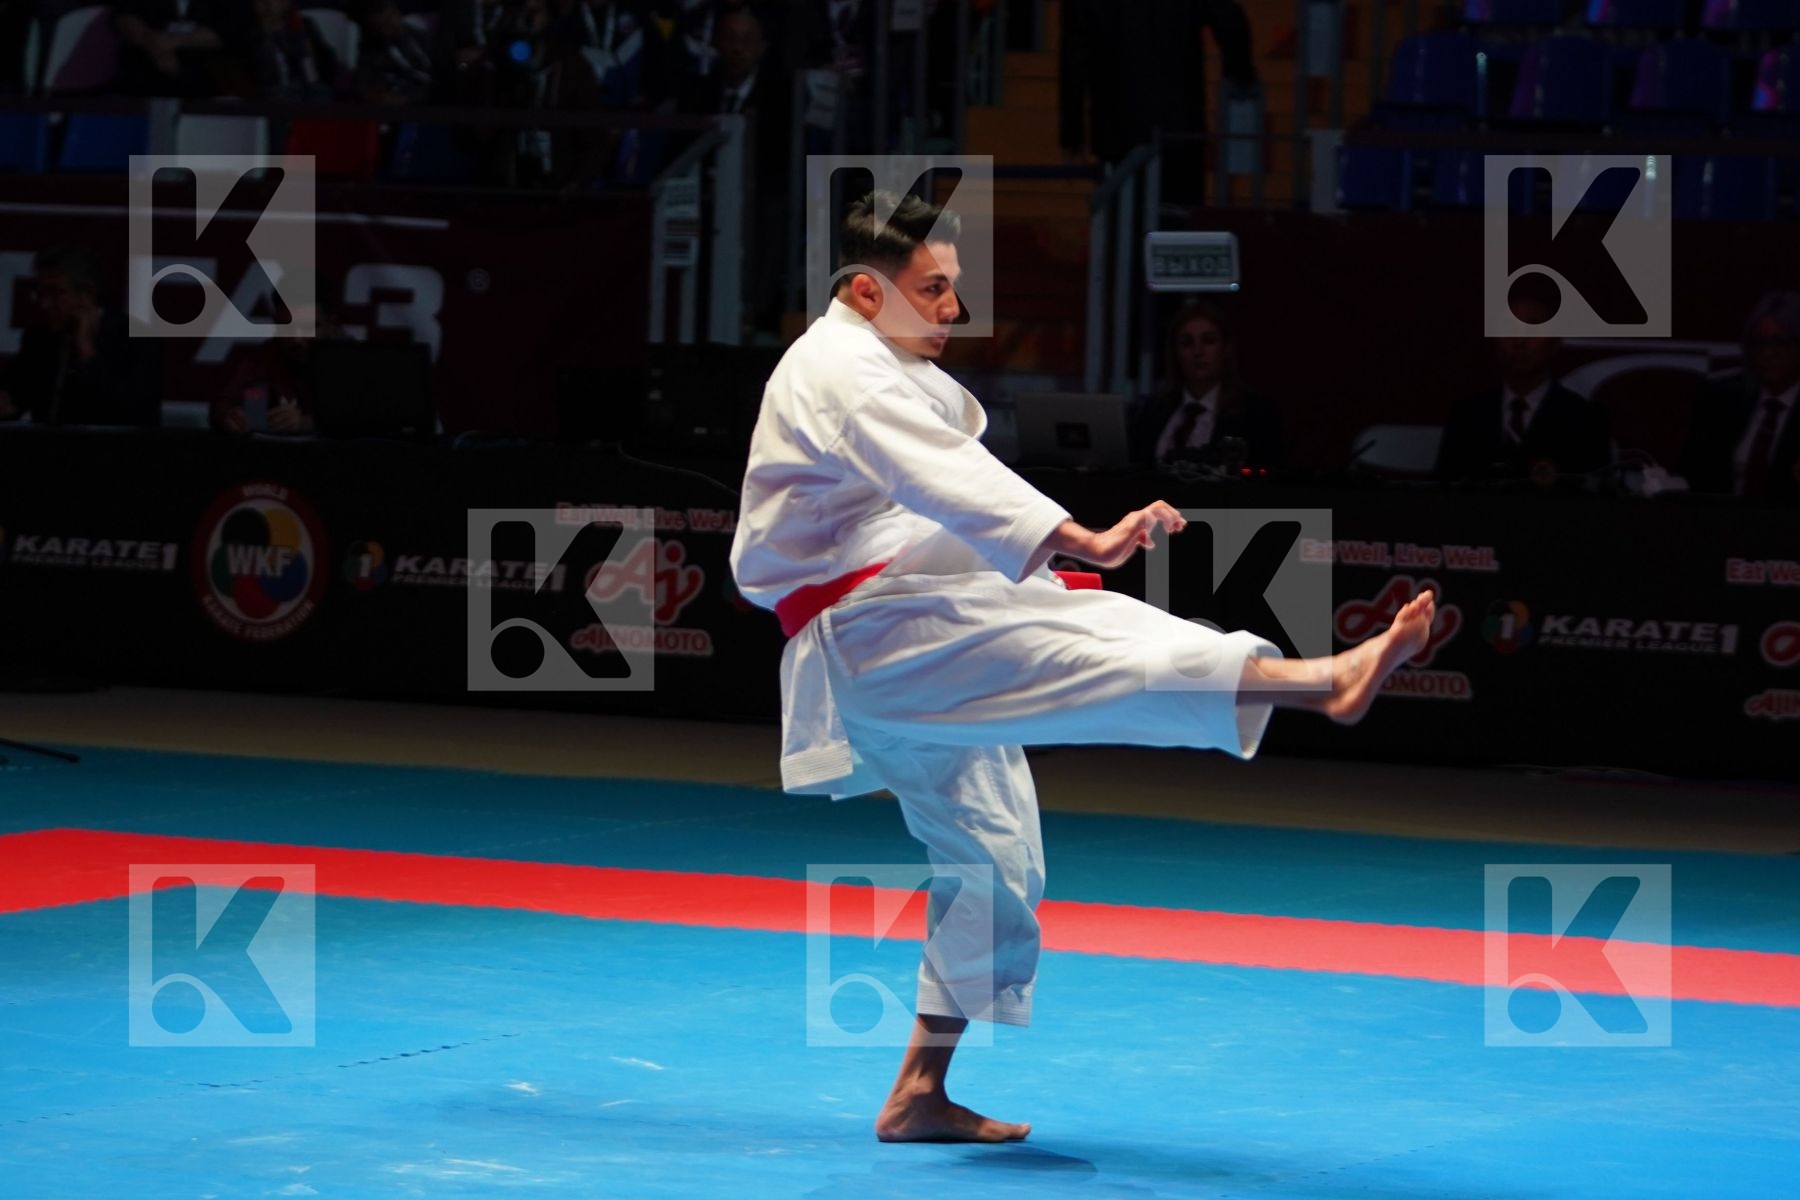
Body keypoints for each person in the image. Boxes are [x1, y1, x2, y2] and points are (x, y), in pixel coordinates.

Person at [728, 191, 1436, 1143]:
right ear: (864, 291)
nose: (953, 310)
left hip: (896, 625)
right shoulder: (842, 372)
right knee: (1094, 649)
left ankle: (917, 1093)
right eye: (933, 290)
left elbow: (933, 495)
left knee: (995, 854)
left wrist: (1048, 560)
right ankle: (1320, 681)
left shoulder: (874, 365)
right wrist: (1086, 542)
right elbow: (950, 478)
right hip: (881, 631)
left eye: (955, 288)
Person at [1059, 0, 1257, 205]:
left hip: (1118, 135)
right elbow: (1232, 23)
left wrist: (1072, 135)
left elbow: (1073, 62)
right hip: (1180, 132)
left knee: (1124, 226)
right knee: (1177, 226)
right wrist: (1241, 76)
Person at [1435, 299, 1612, 485]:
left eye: (1532, 329)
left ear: (1554, 341)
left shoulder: (1586, 420)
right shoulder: (1467, 416)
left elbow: (1596, 502)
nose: (1519, 341)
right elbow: (1442, 493)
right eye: (1509, 330)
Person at [0, 246, 160, 427]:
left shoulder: (136, 338)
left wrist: (86, 350)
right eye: (40, 293)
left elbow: (134, 412)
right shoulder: (38, 338)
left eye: (55, 293)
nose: (44, 304)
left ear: (87, 295)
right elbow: (14, 398)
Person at [1131, 299, 1283, 472]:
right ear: (1175, 352)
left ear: (1225, 348)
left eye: (1209, 341)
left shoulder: (1255, 414)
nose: (1198, 352)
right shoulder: (1151, 412)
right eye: (1187, 343)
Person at [1680, 291, 1800, 503]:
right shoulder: (1722, 400)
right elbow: (1690, 475)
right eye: (1758, 343)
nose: (1767, 353)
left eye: (1779, 342)